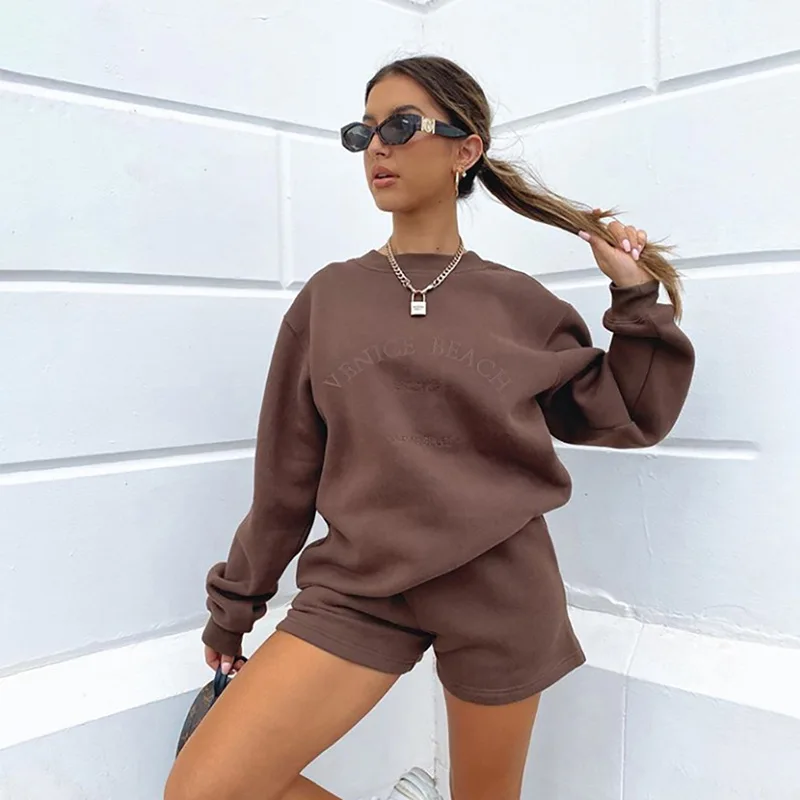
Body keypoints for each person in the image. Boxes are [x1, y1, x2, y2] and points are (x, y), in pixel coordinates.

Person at [164, 56, 694, 800]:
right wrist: (234, 608)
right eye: (363, 132)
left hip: (500, 589)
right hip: (360, 590)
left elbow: (628, 415)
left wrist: (634, 296)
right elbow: (284, 478)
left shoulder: (520, 306)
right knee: (204, 790)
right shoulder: (329, 300)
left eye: (402, 126)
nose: (377, 147)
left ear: (464, 149)